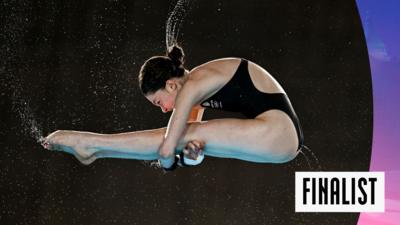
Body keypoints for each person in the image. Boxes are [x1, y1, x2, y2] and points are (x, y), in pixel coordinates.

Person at [42, 44, 304, 170]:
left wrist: (169, 162)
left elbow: (167, 150)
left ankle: (90, 143)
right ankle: (96, 150)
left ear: (171, 86)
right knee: (182, 135)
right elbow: (188, 149)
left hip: (278, 133)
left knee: (174, 135)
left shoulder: (194, 85)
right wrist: (190, 155)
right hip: (277, 140)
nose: (164, 109)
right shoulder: (195, 85)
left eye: (159, 102)